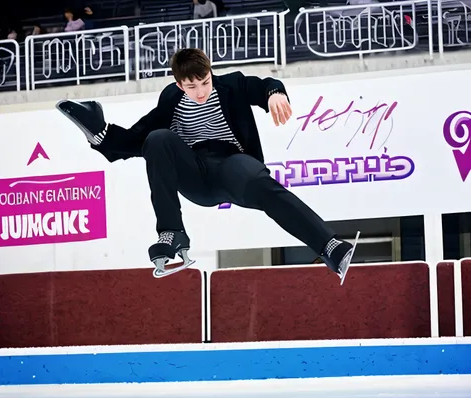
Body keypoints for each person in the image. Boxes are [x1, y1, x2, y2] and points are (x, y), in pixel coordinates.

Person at [56, 48, 359, 282]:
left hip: (233, 165)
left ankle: (330, 247)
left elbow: (263, 84)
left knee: (264, 188)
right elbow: (139, 138)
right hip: (196, 173)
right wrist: (101, 134)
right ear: (179, 84)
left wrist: (274, 94)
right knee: (158, 139)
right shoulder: (171, 100)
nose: (201, 92)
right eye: (192, 86)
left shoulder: (232, 85)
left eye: (205, 82)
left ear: (210, 74)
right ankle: (172, 232)